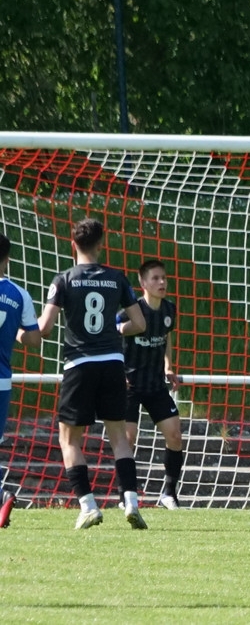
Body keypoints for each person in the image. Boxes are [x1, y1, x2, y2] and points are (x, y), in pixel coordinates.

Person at [37, 218, 148, 530]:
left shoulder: (64, 280)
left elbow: (45, 328)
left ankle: (88, 505)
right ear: (102, 243)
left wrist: (21, 332)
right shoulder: (117, 278)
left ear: (73, 244)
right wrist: (116, 329)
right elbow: (140, 324)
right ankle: (131, 501)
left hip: (79, 364)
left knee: (69, 438)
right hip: (113, 362)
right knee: (118, 436)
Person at [120, 259, 185, 510]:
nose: (162, 282)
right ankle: (125, 495)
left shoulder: (169, 309)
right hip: (129, 385)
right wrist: (117, 370)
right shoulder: (131, 311)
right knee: (128, 439)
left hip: (155, 384)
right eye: (155, 278)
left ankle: (169, 494)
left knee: (175, 435)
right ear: (143, 283)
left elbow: (166, 338)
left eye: (164, 278)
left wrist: (169, 366)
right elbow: (113, 335)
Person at [0, 234, 43, 529]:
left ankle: (1, 495)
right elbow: (34, 339)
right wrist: (16, 331)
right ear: (7, 259)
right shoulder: (19, 294)